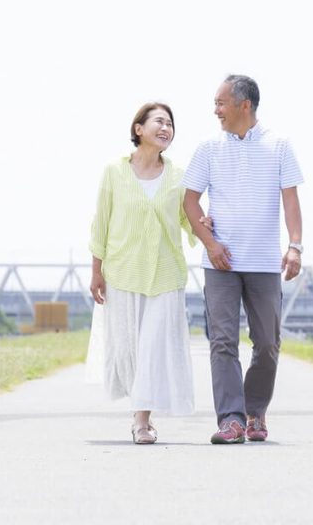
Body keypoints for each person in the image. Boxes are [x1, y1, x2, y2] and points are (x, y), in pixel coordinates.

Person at [183, 74, 304, 444]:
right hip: (220, 264)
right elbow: (189, 201)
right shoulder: (207, 148)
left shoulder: (279, 146)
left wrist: (295, 246)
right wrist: (210, 244)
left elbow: (291, 203)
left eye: (220, 103)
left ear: (243, 105)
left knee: (267, 341)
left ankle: (255, 411)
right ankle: (231, 420)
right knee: (222, 341)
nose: (215, 110)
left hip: (265, 263)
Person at [87, 101, 196, 444]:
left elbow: (188, 218)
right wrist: (96, 271)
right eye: (159, 122)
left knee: (152, 347)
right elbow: (100, 223)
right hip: (123, 271)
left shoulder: (179, 175)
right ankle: (139, 414)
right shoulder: (114, 172)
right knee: (130, 349)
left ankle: (143, 421)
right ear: (139, 129)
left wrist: (207, 230)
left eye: (170, 124)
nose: (166, 129)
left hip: (165, 273)